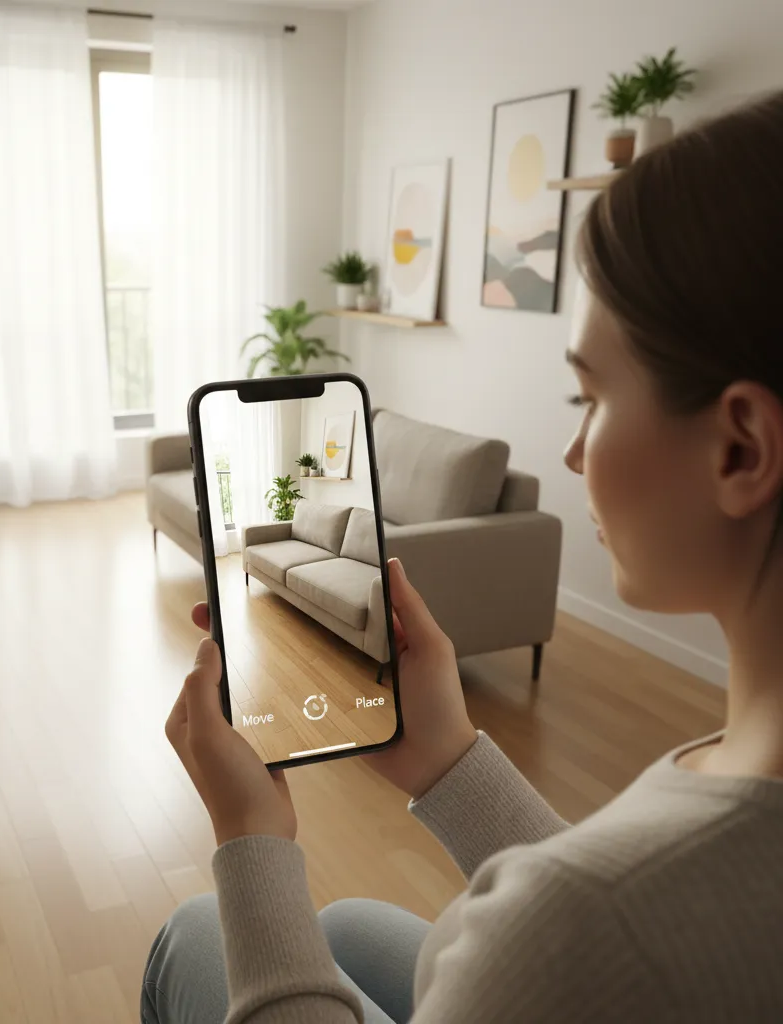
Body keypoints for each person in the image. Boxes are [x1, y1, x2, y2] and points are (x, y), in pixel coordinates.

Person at [142, 92, 783, 1023]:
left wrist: (253, 839)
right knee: (358, 925)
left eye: (587, 402)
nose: (571, 454)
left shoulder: (585, 929)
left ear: (742, 450)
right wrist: (444, 758)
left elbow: (594, 929)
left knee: (199, 933)